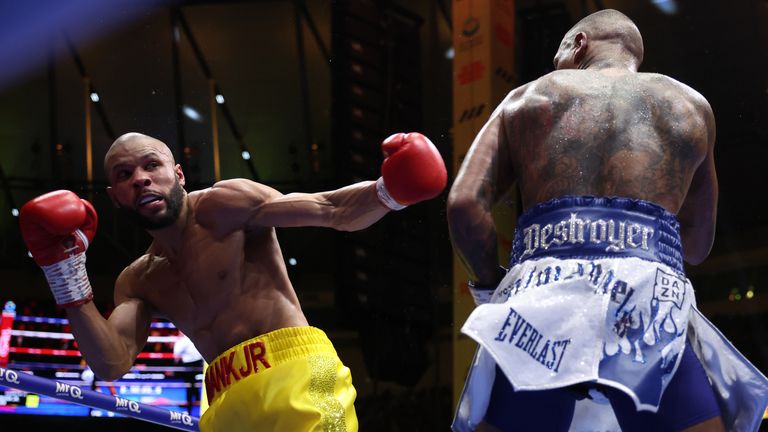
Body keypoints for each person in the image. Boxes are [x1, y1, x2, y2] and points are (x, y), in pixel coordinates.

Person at [448, 9, 768, 432]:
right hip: (649, 303)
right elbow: (696, 245)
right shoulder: (690, 107)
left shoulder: (527, 98)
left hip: (541, 301)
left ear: (579, 43)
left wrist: (492, 287)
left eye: (559, 54)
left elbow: (464, 204)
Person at [18, 131, 447, 432]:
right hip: (222, 398)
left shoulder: (226, 205)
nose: (140, 178)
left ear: (179, 174)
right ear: (114, 196)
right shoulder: (138, 280)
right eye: (124, 175)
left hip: (292, 371)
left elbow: (330, 209)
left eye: (151, 165)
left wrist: (389, 191)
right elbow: (111, 362)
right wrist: (64, 274)